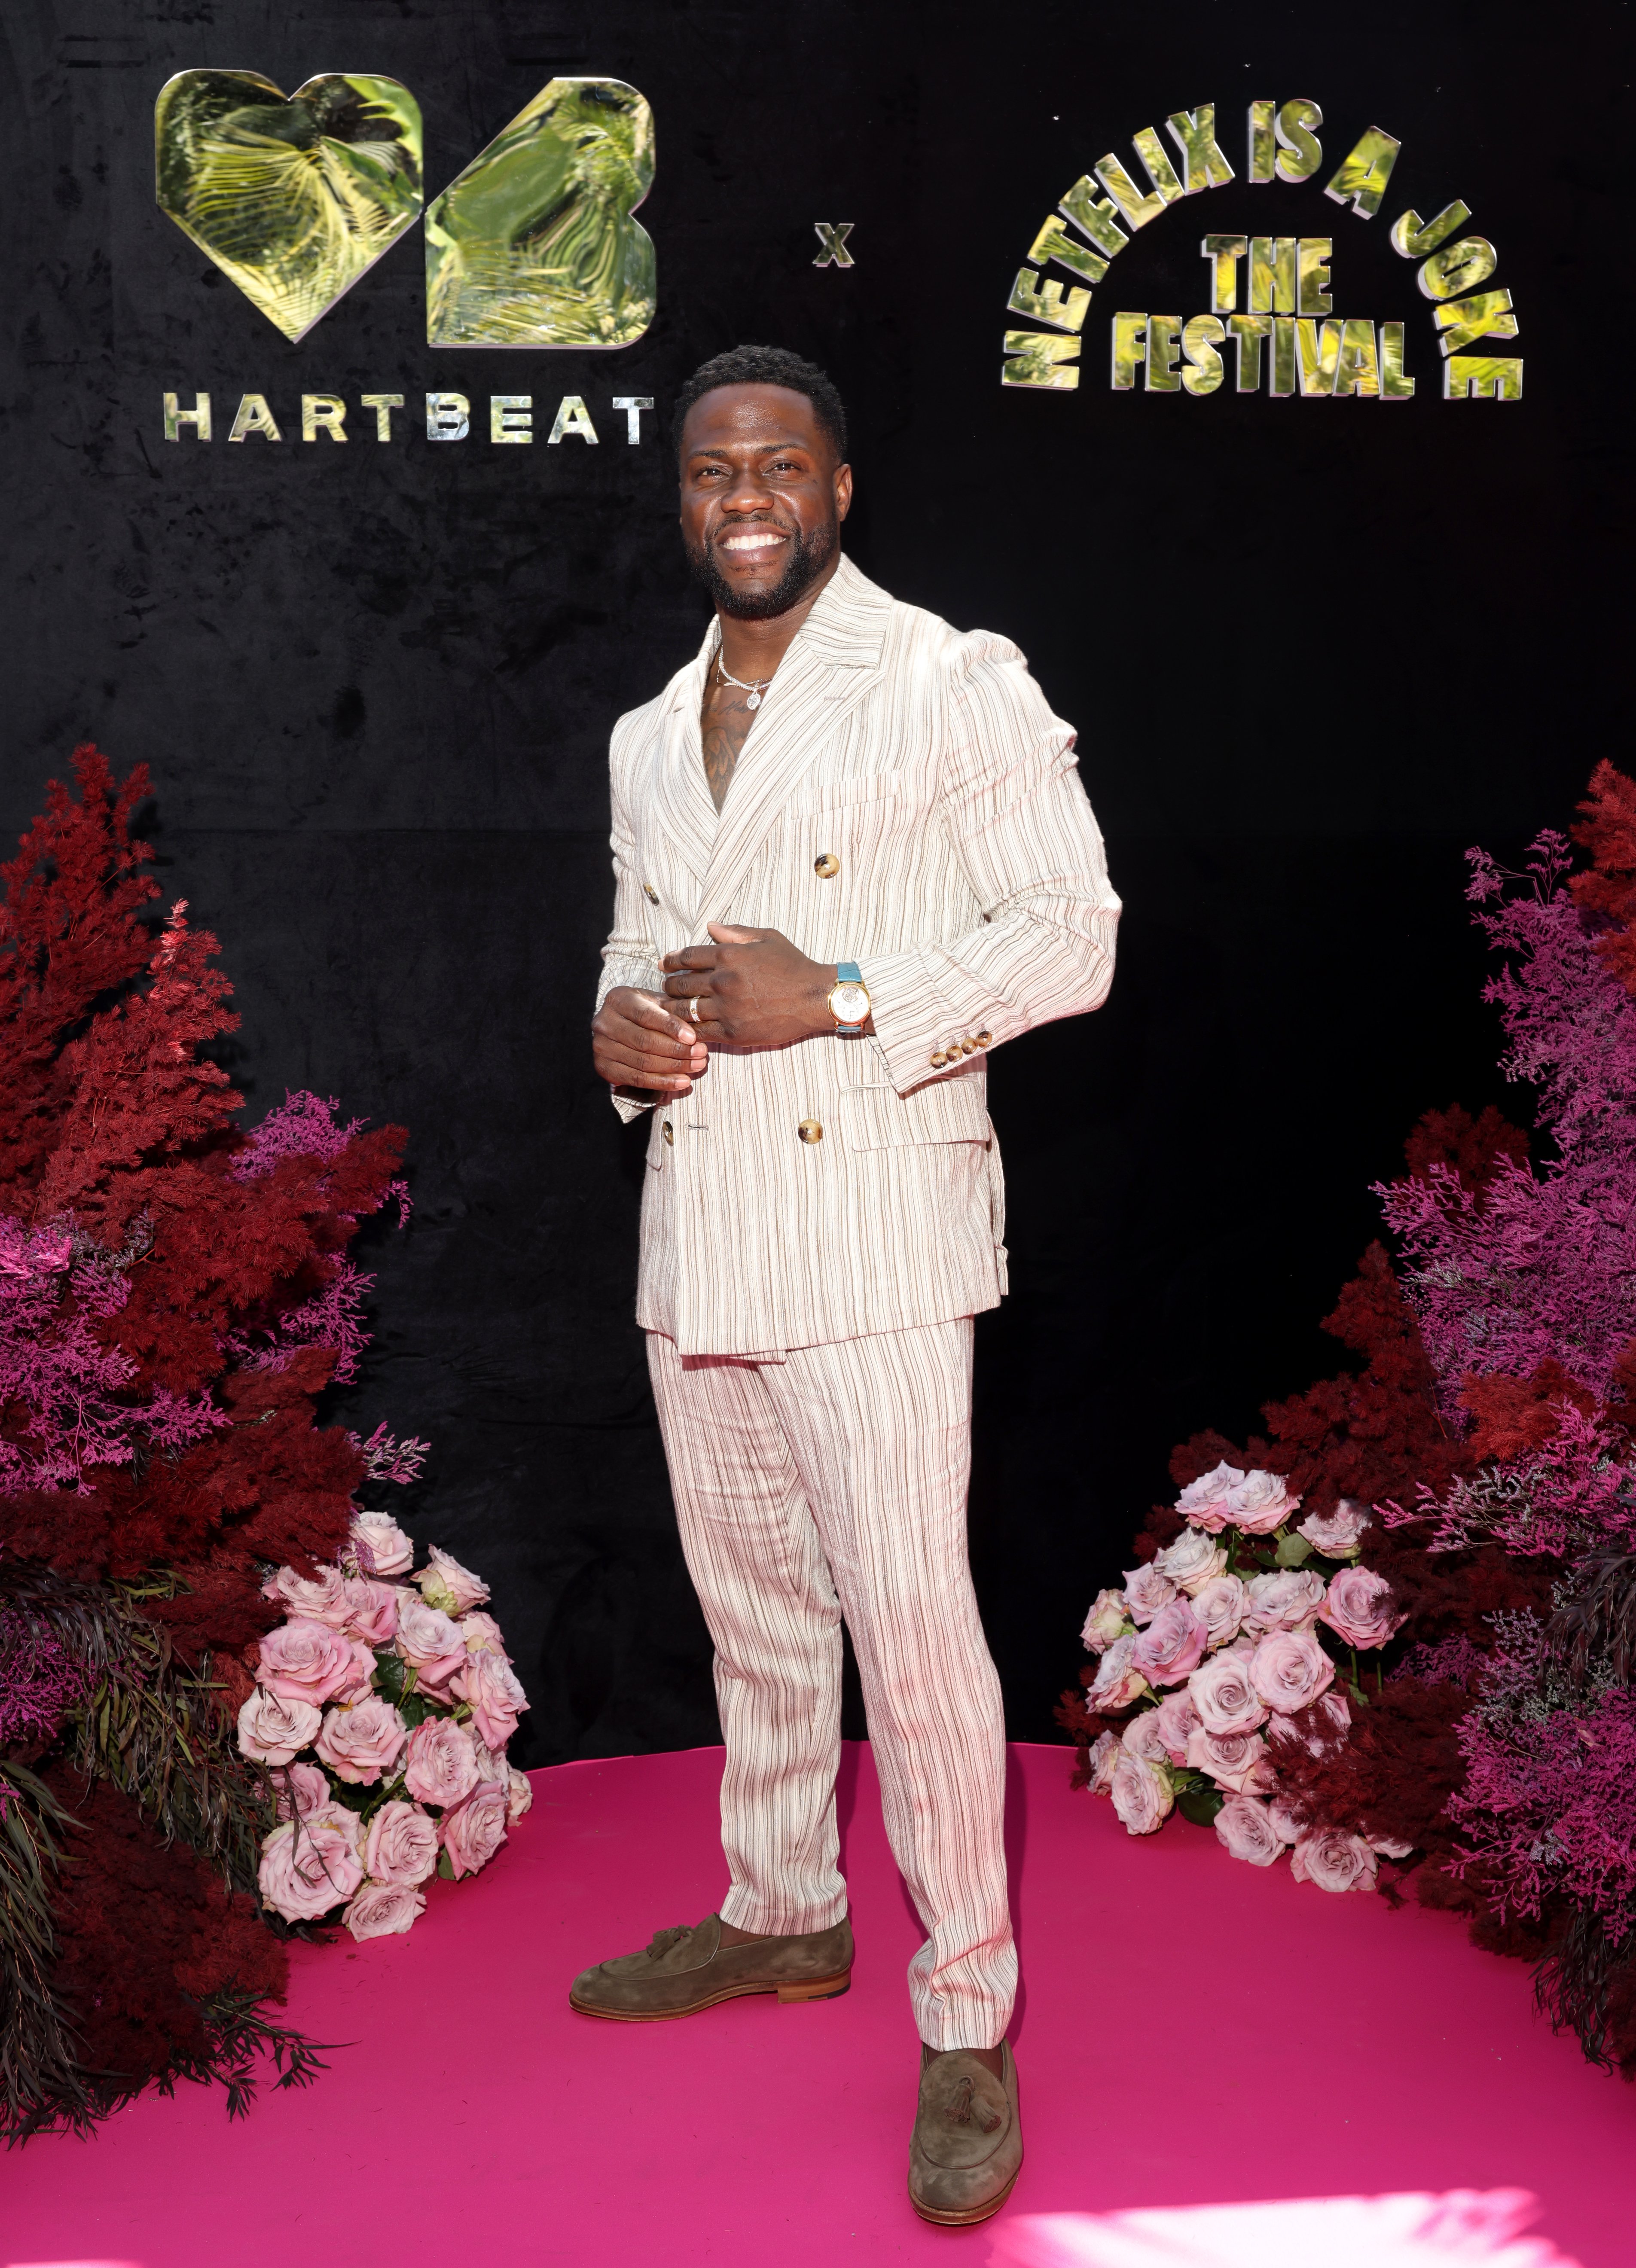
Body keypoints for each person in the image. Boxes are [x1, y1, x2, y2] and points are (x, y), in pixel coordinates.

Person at [576, 344, 1119, 2226]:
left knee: (913, 1628)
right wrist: (618, 1030)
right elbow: (635, 944)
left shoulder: (948, 677)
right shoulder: (650, 732)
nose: (747, 495)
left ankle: (965, 2014)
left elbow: (1073, 933)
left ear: (839, 486)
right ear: (682, 500)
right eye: (715, 468)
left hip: (875, 1225)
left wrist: (855, 993)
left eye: (781, 464)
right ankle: (783, 1909)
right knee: (754, 1614)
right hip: (704, 1219)